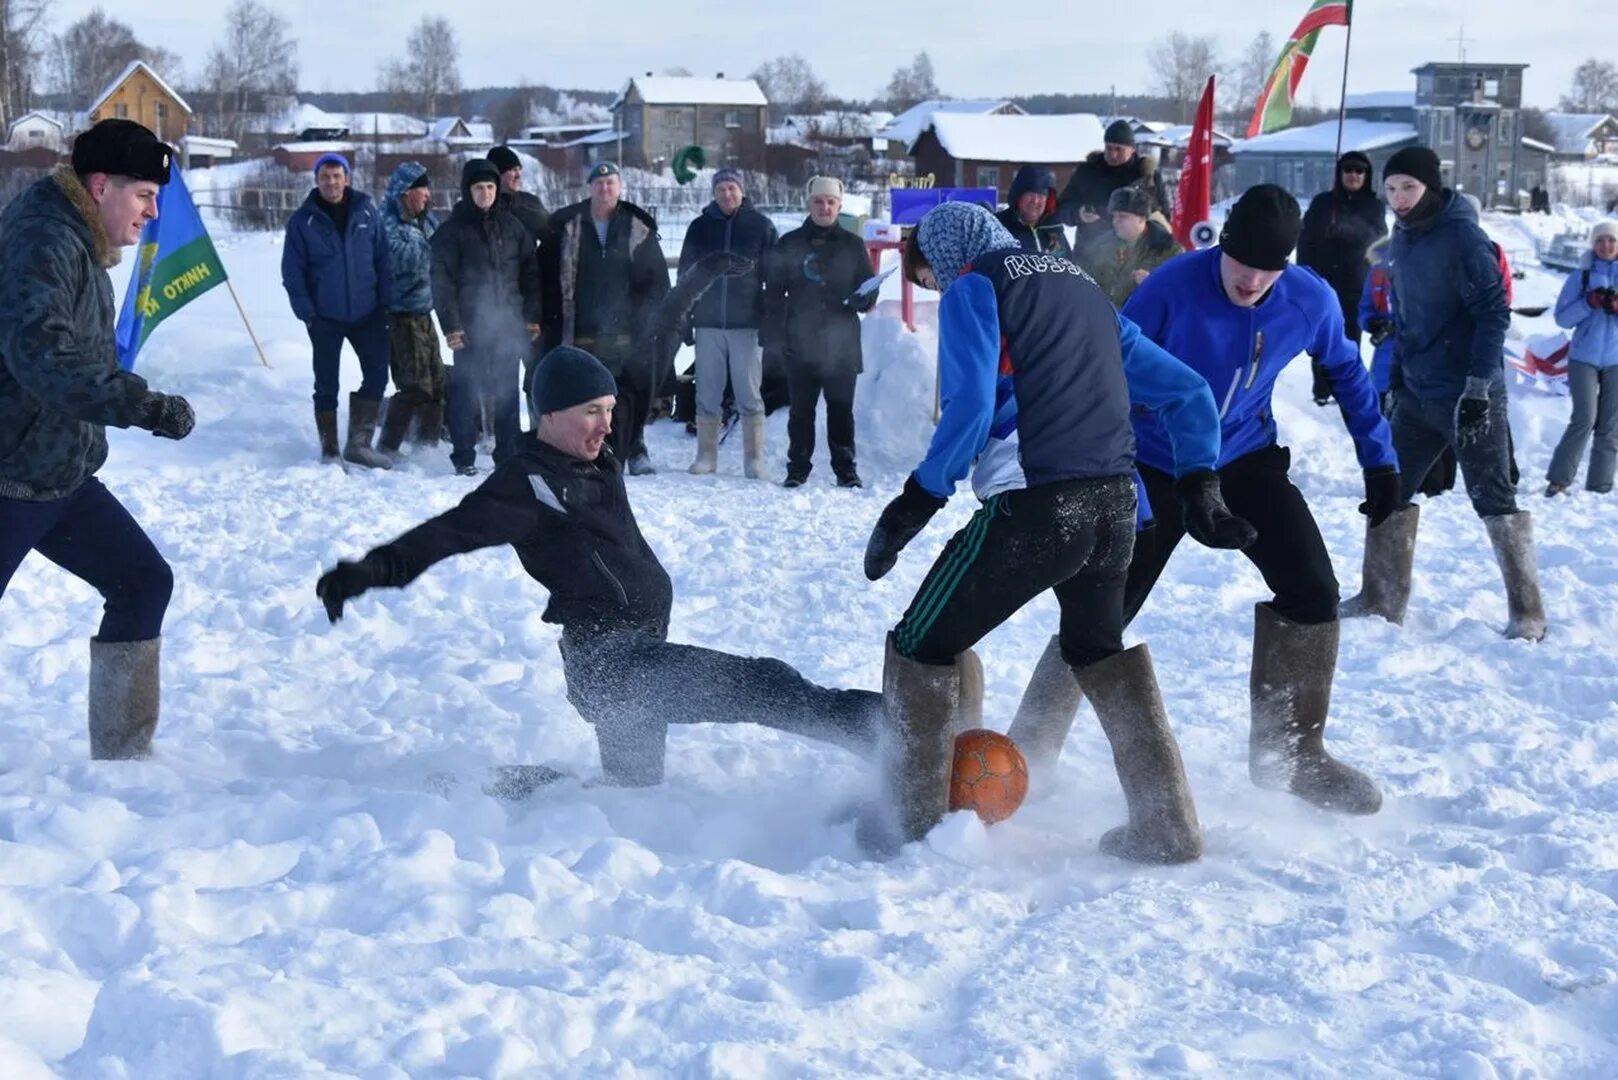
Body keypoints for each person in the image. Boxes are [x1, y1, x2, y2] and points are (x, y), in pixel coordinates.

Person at [866, 202, 1251, 861]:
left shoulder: (976, 285)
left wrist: (918, 498)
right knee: (1096, 648)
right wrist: (1200, 482)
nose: (937, 291)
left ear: (947, 254)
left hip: (1039, 505)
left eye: (931, 277)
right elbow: (1187, 390)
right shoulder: (1083, 287)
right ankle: (1167, 825)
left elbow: (971, 405)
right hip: (1117, 508)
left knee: (920, 644)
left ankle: (911, 823)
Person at [316, 345, 881, 786]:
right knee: (763, 682)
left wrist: (701, 275)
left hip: (638, 650)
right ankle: (879, 731)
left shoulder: (597, 453)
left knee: (632, 790)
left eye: (610, 411)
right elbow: (446, 535)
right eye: (592, 412)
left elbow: (652, 334)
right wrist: (366, 572)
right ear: (550, 414)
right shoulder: (527, 484)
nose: (607, 425)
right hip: (612, 667)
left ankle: (510, 790)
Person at [1011, 185, 1401, 820]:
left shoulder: (1310, 300)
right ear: (1220, 247)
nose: (1251, 281)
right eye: (1241, 264)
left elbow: (1349, 373)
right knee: (1101, 610)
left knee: (1313, 592)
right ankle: (1029, 748)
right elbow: (1108, 376)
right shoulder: (1170, 290)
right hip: (1154, 463)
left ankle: (1292, 754)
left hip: (1246, 458)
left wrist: (1379, 460)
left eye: (1267, 270)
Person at [0, 119, 196, 759]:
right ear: (101, 185)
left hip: (59, 473)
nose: (153, 210)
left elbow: (83, 355)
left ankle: (123, 758)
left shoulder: (80, 243)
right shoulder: (43, 242)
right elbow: (45, 357)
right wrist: (142, 405)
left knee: (142, 581)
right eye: (144, 194)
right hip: (9, 479)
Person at [1343, 147, 1547, 641]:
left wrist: (1478, 387)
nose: (1398, 199)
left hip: (1467, 397)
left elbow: (1494, 313)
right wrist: (1394, 383)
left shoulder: (1462, 237)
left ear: (1431, 188)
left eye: (1408, 188)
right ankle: (1380, 597)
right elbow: (1406, 318)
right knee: (1388, 489)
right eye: (1390, 190)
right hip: (1416, 392)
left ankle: (1528, 612)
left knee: (1493, 498)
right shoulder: (1404, 239)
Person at [540, 162, 670, 474]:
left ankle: (636, 447)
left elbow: (658, 281)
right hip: (582, 329)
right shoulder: (570, 226)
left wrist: (650, 319)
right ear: (589, 189)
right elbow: (545, 277)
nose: (605, 189)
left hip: (627, 331)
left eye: (611, 183)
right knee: (588, 397)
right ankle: (591, 453)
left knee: (629, 394)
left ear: (620, 187)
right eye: (599, 184)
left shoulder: (636, 227)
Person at [280, 152, 394, 469]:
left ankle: (359, 445)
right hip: (324, 317)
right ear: (317, 180)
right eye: (325, 177)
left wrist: (386, 302)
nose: (331, 182)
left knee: (376, 375)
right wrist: (308, 313)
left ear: (347, 178)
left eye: (337, 175)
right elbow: (293, 271)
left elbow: (383, 259)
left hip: (368, 313)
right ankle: (330, 450)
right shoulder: (304, 220)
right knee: (326, 383)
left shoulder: (367, 212)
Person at [763, 176, 875, 488]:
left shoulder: (853, 245)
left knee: (841, 410)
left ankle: (845, 468)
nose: (824, 207)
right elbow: (773, 294)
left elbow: (869, 290)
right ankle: (798, 467)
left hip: (842, 346)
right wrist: (775, 336)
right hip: (800, 344)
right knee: (801, 412)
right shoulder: (789, 244)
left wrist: (863, 298)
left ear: (840, 206)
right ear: (808, 203)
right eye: (818, 201)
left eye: (831, 202)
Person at [431, 159, 541, 476]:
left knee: (507, 391)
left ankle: (507, 455)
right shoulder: (452, 231)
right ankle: (463, 456)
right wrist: (451, 325)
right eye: (479, 187)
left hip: (507, 324)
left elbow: (530, 275)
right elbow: (442, 283)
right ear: (468, 190)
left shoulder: (513, 227)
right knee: (466, 391)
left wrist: (530, 316)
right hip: (468, 327)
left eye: (491, 187)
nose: (486, 193)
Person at [677, 167, 778, 477]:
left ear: (742, 191)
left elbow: (775, 278)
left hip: (747, 324)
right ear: (714, 192)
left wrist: (771, 319)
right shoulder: (699, 228)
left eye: (732, 188)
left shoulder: (760, 227)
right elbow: (685, 274)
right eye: (721, 189)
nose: (727, 194)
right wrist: (684, 315)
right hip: (708, 323)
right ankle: (706, 455)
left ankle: (754, 459)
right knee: (707, 392)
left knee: (749, 393)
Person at [1297, 151, 1388, 406]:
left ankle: (1347, 389)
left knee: (1350, 339)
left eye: (1359, 171)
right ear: (1340, 174)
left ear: (1367, 176)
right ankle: (1322, 388)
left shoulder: (1374, 205)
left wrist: (1349, 233)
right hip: (1323, 283)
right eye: (1348, 170)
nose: (1353, 175)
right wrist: (1305, 278)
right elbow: (1305, 241)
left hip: (1355, 284)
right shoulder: (1323, 203)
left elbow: (1379, 241)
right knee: (1324, 337)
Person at [1545, 220, 1618, 496]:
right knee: (1584, 418)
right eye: (1600, 241)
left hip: (1616, 359)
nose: (1606, 246)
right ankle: (1559, 480)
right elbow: (1562, 318)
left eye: (1611, 240)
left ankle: (1600, 486)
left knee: (1610, 425)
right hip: (1583, 357)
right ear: (1593, 244)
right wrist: (1589, 303)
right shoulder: (1581, 276)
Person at [377, 162, 445, 459]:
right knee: (414, 386)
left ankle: (427, 445)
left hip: (424, 314)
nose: (428, 196)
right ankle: (388, 446)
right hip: (401, 318)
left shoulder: (426, 221)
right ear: (406, 193)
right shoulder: (388, 225)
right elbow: (410, 261)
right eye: (423, 190)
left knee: (437, 382)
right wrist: (439, 249)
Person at [1055, 120, 1169, 244]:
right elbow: (1062, 208)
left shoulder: (1146, 175)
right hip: (1091, 251)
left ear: (1132, 150)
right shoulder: (1087, 172)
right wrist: (1078, 213)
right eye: (1108, 148)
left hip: (1135, 253)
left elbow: (1163, 214)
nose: (1113, 154)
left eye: (1119, 149)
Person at [1078, 185, 1183, 307]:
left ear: (1142, 219)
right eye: (1114, 216)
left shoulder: (1169, 251)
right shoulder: (1097, 247)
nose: (1116, 221)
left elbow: (1180, 295)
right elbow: (1083, 286)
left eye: (1123, 216)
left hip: (1145, 321)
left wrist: (1154, 284)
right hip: (1104, 320)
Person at [994, 164, 1072, 258]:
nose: (1035, 201)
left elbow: (1069, 267)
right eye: (1030, 194)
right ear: (1018, 196)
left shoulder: (1054, 229)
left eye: (1041, 195)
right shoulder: (998, 226)